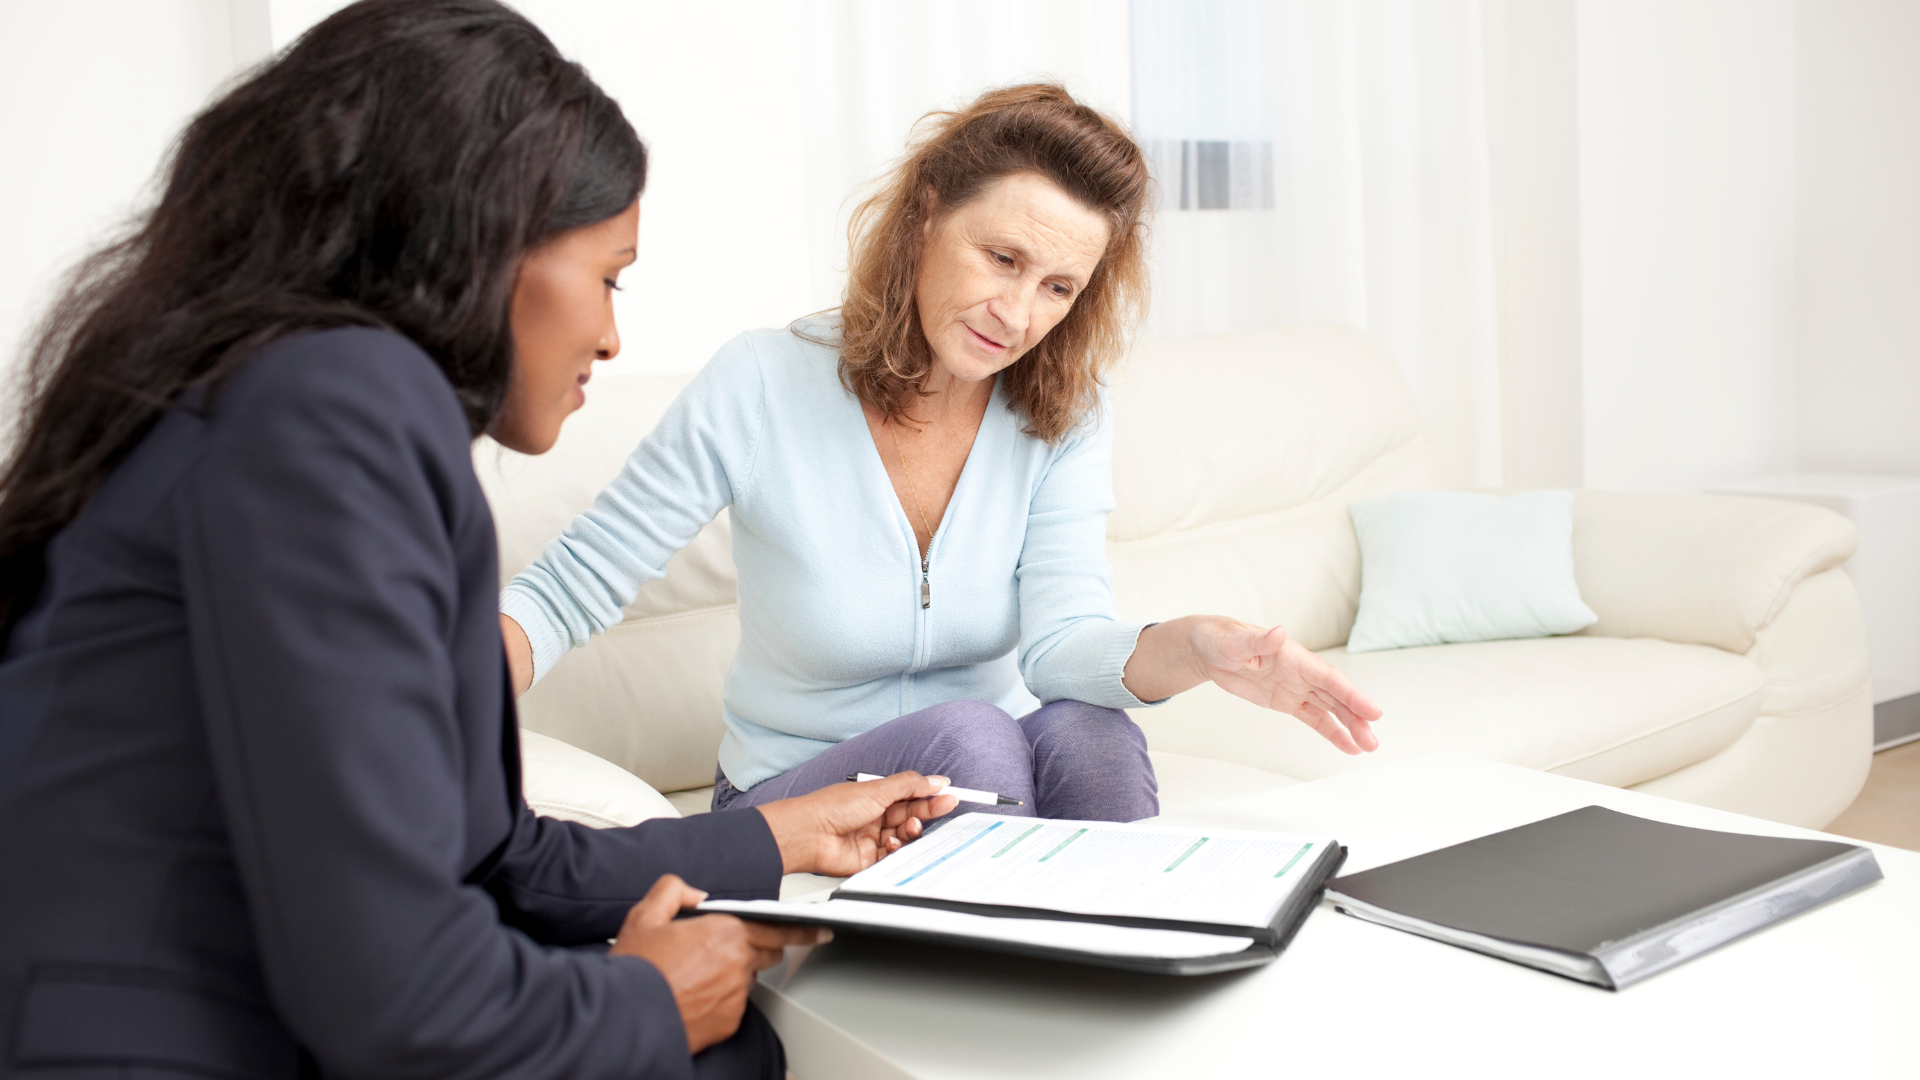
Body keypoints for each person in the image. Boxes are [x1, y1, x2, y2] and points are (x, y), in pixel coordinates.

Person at [0, 3, 955, 1078]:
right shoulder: (334, 408)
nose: (610, 333)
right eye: (610, 275)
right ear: (487, 241)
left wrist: (787, 835)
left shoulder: (282, 395)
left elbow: (490, 855)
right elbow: (400, 995)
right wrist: (646, 997)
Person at [500, 84, 1385, 825]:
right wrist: (422, 692)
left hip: (985, 777)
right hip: (792, 793)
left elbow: (1062, 648)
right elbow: (573, 585)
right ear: (925, 218)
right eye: (1002, 257)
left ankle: (1134, 973)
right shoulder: (762, 383)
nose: (1018, 313)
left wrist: (1198, 645)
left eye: (1056, 288)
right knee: (969, 738)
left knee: (1091, 733)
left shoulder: (1064, 411)